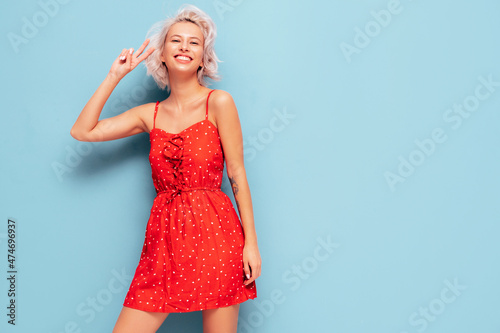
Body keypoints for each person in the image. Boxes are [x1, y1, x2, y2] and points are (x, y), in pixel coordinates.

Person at [70, 4, 261, 333]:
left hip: (217, 236)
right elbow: (83, 131)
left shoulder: (219, 103)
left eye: (194, 42)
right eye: (176, 40)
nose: (184, 47)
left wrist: (251, 243)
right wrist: (115, 75)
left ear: (203, 58)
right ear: (161, 53)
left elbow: (237, 174)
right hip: (164, 240)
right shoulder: (149, 115)